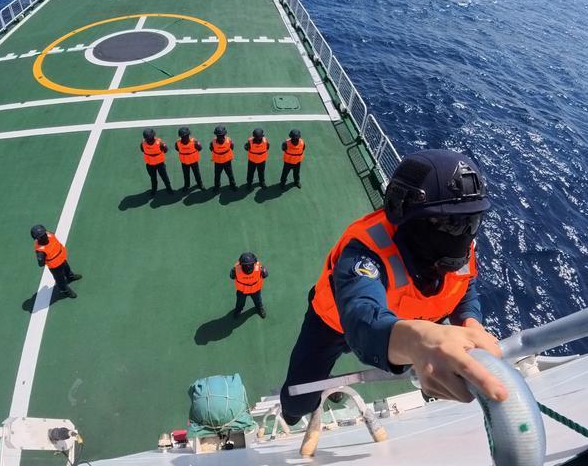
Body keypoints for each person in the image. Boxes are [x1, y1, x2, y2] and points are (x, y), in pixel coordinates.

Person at [278, 149, 508, 424]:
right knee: (297, 403)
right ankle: (299, 408)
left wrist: (471, 323)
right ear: (407, 216)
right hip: (332, 325)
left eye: (471, 221)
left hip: (404, 328)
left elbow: (463, 289)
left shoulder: (459, 250)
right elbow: (361, 316)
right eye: (452, 224)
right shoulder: (364, 252)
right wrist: (418, 343)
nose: (465, 234)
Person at [31, 224, 81, 299]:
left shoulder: (49, 234)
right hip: (55, 267)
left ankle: (70, 277)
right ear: (37, 239)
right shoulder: (40, 251)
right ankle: (65, 290)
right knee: (60, 280)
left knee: (67, 269)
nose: (44, 236)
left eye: (44, 234)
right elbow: (41, 264)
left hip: (62, 259)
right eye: (41, 236)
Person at [230, 251, 268, 319]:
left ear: (254, 263)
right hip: (242, 291)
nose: (248, 266)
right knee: (240, 302)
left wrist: (263, 271)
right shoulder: (236, 269)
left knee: (258, 301)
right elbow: (231, 276)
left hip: (255, 290)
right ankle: (238, 310)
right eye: (246, 265)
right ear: (241, 264)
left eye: (250, 264)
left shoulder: (260, 268)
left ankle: (259, 308)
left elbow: (265, 274)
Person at [141, 128, 173, 195]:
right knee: (153, 178)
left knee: (164, 177)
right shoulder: (143, 144)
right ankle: (155, 189)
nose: (148, 139)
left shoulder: (160, 144)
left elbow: (165, 149)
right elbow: (165, 150)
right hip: (150, 164)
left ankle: (168, 188)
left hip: (159, 164)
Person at [175, 126, 204, 191]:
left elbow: (200, 148)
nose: (185, 138)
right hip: (184, 162)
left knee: (197, 174)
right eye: (183, 136)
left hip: (194, 162)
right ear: (180, 136)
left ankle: (200, 184)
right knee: (186, 175)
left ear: (188, 135)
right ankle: (187, 185)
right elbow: (177, 149)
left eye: (186, 136)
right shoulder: (177, 143)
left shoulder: (194, 142)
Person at [210, 125, 238, 191]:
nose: (220, 137)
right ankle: (217, 186)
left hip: (227, 161)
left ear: (224, 134)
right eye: (218, 136)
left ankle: (233, 185)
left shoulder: (229, 140)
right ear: (216, 135)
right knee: (217, 175)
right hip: (218, 162)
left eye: (222, 135)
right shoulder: (212, 142)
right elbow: (232, 148)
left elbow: (231, 147)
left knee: (230, 174)